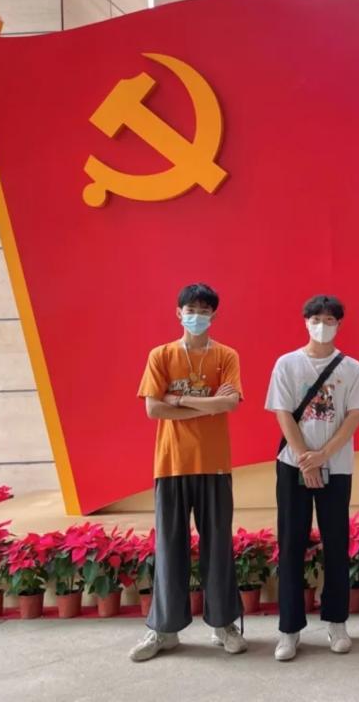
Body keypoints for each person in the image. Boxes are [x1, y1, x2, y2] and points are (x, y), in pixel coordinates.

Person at [130, 282, 246, 662]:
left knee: (218, 548)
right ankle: (164, 631)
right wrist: (207, 403)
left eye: (204, 310)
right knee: (169, 548)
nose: (197, 316)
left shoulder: (226, 356)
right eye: (190, 310)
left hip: (215, 465)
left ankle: (223, 625)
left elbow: (230, 404)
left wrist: (177, 399)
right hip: (171, 464)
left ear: (214, 315)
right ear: (178, 313)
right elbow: (153, 409)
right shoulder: (161, 355)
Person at [266, 294, 359, 661]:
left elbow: (355, 416)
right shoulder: (287, 364)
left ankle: (337, 622)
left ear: (339, 324)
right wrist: (305, 460)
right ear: (305, 322)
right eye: (315, 319)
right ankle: (289, 629)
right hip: (292, 464)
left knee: (336, 543)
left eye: (329, 320)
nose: (322, 326)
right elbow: (282, 413)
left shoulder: (352, 368)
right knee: (291, 543)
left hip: (336, 466)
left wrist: (323, 456)